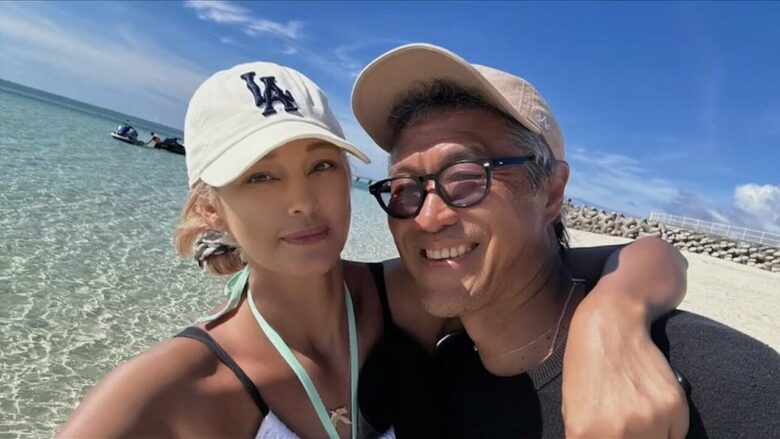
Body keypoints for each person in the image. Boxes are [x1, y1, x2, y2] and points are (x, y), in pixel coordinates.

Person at [59, 60, 687, 438]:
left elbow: (639, 256)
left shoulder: (403, 297)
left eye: (321, 165)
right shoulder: (175, 388)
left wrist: (613, 318)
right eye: (260, 177)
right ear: (209, 209)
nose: (302, 202)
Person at [351, 43, 780, 438]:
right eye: (404, 188)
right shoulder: (432, 383)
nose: (427, 218)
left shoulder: (718, 384)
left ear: (552, 192)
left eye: (466, 177)